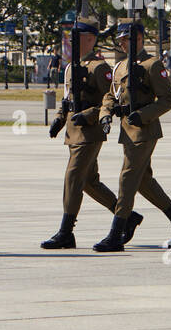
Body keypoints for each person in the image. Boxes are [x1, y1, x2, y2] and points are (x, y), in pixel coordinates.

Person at [93, 21, 171, 253]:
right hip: (126, 130)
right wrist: (105, 114)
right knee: (143, 181)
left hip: (144, 130)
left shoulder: (152, 65)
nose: (121, 42)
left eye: (126, 38)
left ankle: (116, 233)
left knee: (127, 179)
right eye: (120, 39)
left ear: (139, 39)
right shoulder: (120, 66)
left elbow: (169, 99)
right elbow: (111, 95)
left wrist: (143, 115)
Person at [41, 15, 141, 249]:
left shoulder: (100, 68)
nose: (70, 42)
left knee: (73, 177)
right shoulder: (70, 67)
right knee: (88, 181)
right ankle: (127, 217)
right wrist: (58, 119)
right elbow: (67, 99)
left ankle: (66, 232)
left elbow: (110, 101)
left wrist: (89, 115)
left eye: (75, 37)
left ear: (89, 39)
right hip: (72, 132)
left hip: (89, 131)